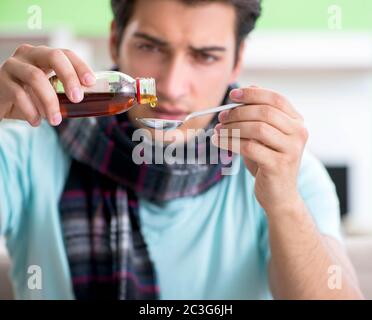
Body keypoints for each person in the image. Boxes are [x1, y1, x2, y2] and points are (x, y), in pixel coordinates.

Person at [0, 0, 363, 299]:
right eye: (150, 47)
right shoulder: (25, 149)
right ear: (115, 41)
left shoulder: (286, 171)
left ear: (236, 61)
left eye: (205, 56)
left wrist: (283, 202)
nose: (172, 87)